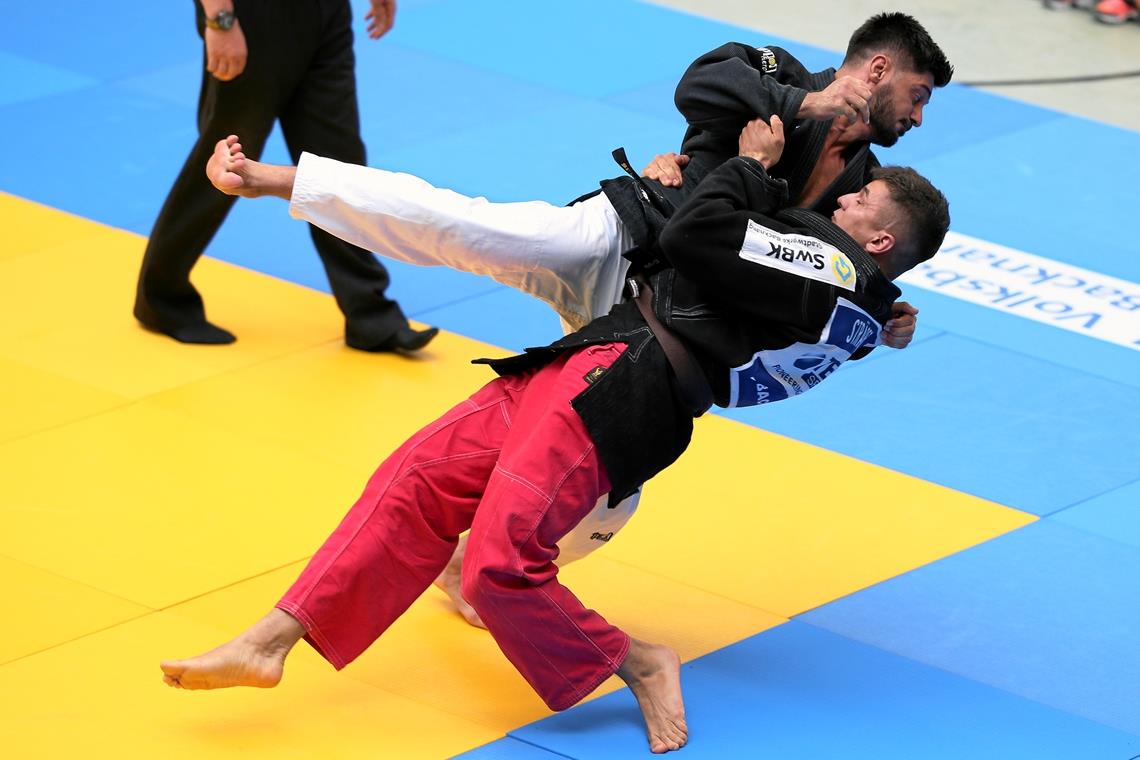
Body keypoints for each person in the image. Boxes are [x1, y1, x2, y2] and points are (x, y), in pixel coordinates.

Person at [161, 115, 951, 754]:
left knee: (499, 567)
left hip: (621, 388)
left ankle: (638, 661)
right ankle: (271, 640)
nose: (845, 198)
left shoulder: (836, 268)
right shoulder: (856, 300)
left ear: (877, 241)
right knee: (418, 477)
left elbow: (696, 239)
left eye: (861, 202)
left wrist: (748, 166)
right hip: (597, 353)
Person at [134, 0, 437, 352]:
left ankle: (370, 314)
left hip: (326, 12)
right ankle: (162, 298)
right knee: (228, 161)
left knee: (340, 161)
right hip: (249, 16)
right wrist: (220, 20)